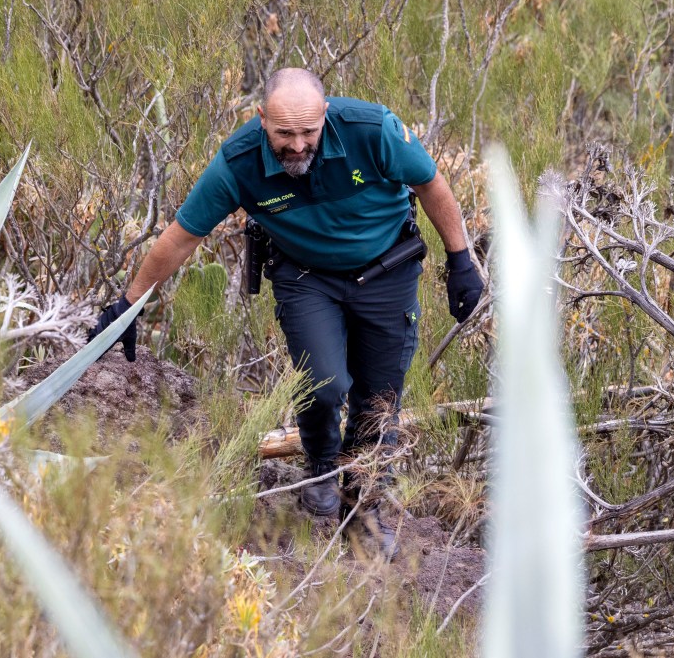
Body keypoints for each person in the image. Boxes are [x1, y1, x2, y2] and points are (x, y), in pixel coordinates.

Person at [89, 68, 483, 559]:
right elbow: (182, 236)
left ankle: (361, 509)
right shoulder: (238, 163)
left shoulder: (373, 130)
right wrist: (129, 306)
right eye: (283, 134)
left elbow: (431, 185)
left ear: (326, 115)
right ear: (261, 120)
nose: (297, 146)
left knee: (379, 398)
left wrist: (460, 260)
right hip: (307, 278)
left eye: (307, 132)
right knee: (324, 381)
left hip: (387, 272)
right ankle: (320, 461)